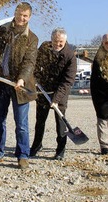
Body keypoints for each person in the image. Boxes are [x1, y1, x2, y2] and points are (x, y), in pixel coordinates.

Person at [0, 2, 38, 169]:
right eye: (19, 14)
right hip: (0, 83)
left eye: (25, 16)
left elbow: (29, 62)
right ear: (15, 13)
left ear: (29, 17)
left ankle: (22, 155)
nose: (21, 18)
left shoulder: (31, 38)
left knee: (21, 123)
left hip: (19, 86)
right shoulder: (3, 30)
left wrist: (21, 79)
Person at [29, 27, 77, 160]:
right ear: (51, 39)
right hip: (43, 90)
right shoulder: (44, 48)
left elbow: (67, 81)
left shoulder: (70, 56)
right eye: (55, 41)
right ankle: (36, 145)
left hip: (60, 93)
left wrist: (56, 99)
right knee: (40, 121)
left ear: (65, 41)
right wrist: (35, 79)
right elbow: (36, 64)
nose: (57, 44)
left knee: (60, 122)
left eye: (60, 42)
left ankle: (60, 149)